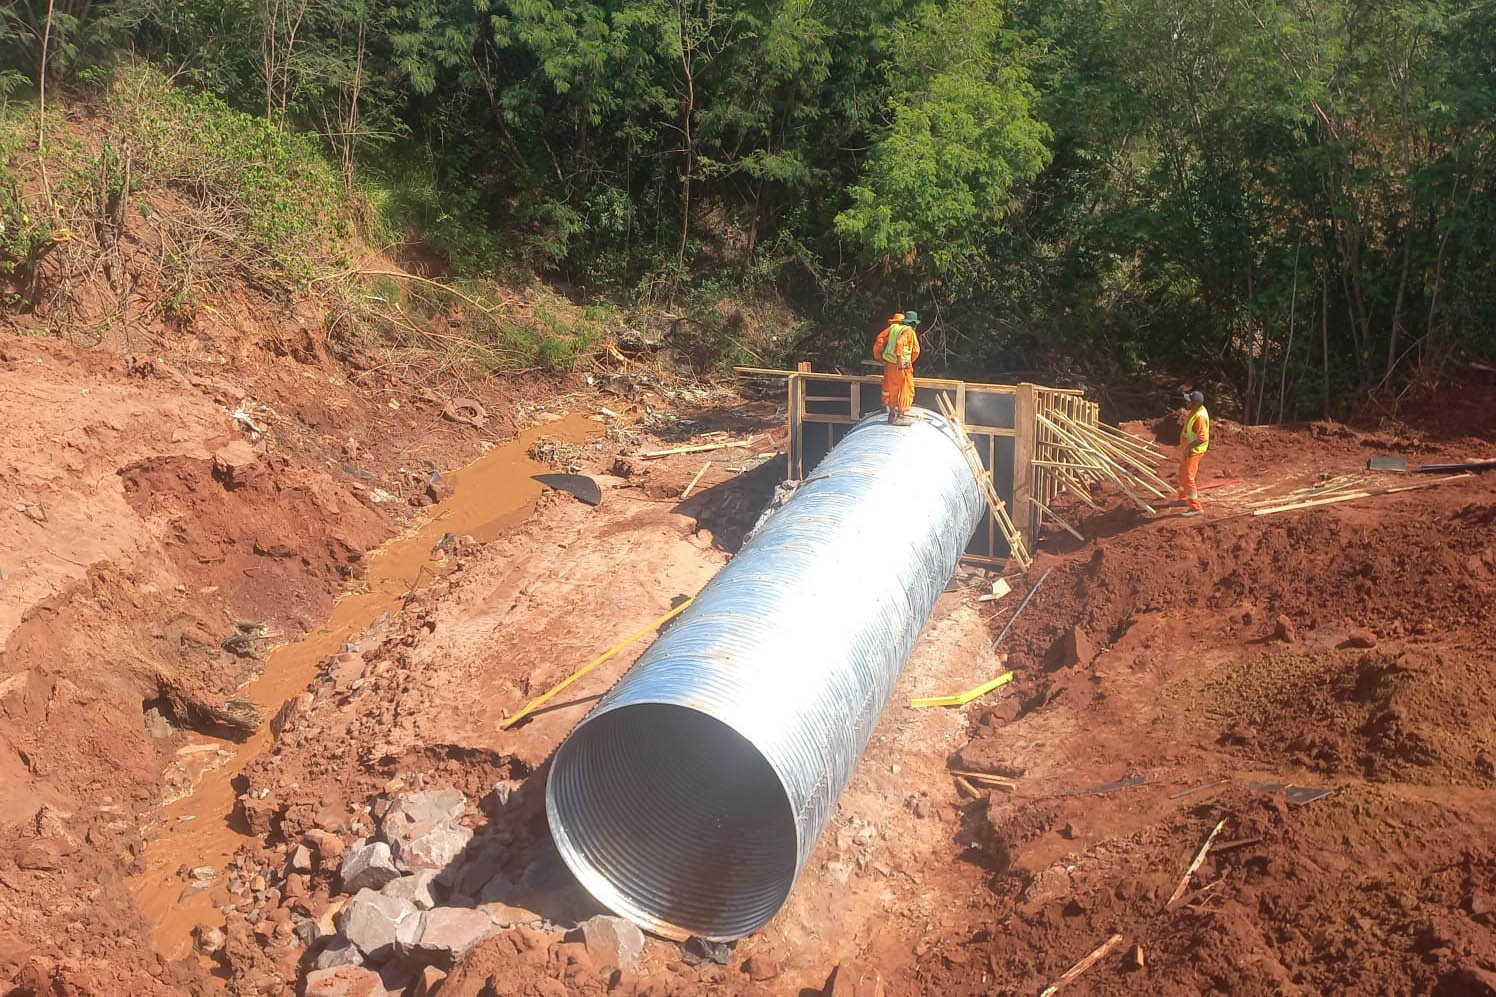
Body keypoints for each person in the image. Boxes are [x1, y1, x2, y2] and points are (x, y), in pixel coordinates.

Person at [873, 309, 921, 425]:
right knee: (906, 389)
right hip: (902, 365)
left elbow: (879, 341)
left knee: (892, 389)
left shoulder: (892, 329)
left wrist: (879, 358)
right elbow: (915, 350)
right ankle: (901, 416)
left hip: (890, 364)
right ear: (913, 323)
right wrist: (906, 361)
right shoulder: (908, 331)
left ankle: (892, 414)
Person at [1178, 389, 1210, 515]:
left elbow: (1202, 439)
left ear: (1195, 404)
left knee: (1188, 477)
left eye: (1189, 402)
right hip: (1188, 449)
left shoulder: (1200, 418)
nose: (1186, 403)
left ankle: (1195, 507)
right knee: (1182, 472)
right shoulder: (1195, 411)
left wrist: (1189, 448)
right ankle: (1183, 497)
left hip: (1194, 451)